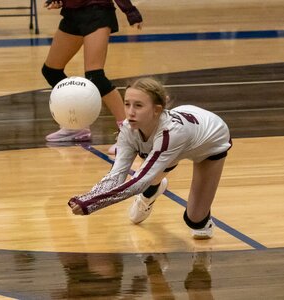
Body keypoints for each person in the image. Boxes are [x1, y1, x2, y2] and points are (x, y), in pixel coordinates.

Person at [68, 77, 232, 239]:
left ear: (157, 109)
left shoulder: (171, 134)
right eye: (127, 104)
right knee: (151, 171)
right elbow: (116, 175)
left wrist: (91, 204)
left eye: (138, 105)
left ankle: (154, 192)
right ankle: (152, 191)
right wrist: (89, 198)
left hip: (211, 141)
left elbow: (139, 182)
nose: (130, 112)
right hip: (179, 138)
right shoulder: (127, 128)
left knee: (196, 222)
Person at [42, 0, 143, 153]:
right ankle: (76, 124)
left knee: (95, 76)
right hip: (72, 13)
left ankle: (130, 133)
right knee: (51, 71)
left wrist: (130, 12)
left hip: (97, 12)